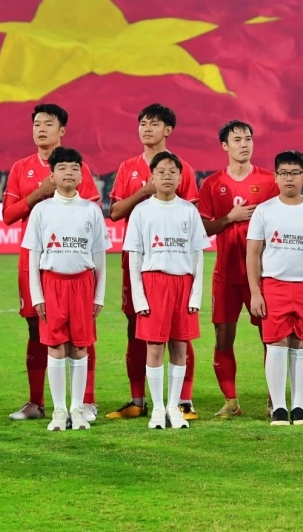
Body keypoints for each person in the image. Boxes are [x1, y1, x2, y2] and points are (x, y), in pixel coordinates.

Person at [2, 104, 102, 423]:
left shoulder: (75, 167)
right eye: (36, 124)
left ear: (62, 130)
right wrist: (39, 193)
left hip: (72, 264)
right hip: (34, 262)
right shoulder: (21, 168)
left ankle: (85, 401)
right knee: (37, 330)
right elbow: (8, 215)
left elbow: (91, 214)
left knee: (82, 332)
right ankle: (37, 402)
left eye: (48, 123)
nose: (41, 129)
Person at [108, 104, 201, 420]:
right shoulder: (128, 168)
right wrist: (144, 191)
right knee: (136, 327)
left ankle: (183, 400)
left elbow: (191, 216)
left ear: (168, 130)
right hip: (139, 260)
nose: (147, 128)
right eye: (143, 123)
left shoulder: (182, 168)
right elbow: (115, 212)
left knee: (180, 333)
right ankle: (138, 400)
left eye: (154, 123)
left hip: (175, 262)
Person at [247, 151, 303, 426]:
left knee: (301, 346)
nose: (289, 178)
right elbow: (253, 253)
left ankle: (298, 407)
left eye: (295, 173)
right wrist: (255, 292)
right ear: (275, 177)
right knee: (276, 345)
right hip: (274, 285)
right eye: (284, 173)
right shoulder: (264, 210)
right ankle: (279, 408)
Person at [21, 147, 108, 431]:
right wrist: (37, 295)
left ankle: (77, 409)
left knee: (80, 347)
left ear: (82, 175)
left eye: (74, 168)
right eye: (62, 168)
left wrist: (98, 295)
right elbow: (33, 257)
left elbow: (99, 258)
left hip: (83, 284)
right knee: (56, 347)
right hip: (52, 283)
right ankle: (59, 411)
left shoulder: (91, 211)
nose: (68, 172)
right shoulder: (41, 210)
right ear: (52, 175)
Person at [198, 121, 279, 418]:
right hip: (226, 275)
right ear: (225, 146)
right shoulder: (211, 184)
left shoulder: (270, 181)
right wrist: (229, 218)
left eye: (248, 139)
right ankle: (231, 401)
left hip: (262, 275)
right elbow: (203, 227)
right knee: (223, 338)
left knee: (270, 338)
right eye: (237, 140)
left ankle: (274, 400)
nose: (244, 144)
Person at [123, 152, 209, 430]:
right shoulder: (141, 211)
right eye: (161, 172)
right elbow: (134, 258)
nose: (167, 176)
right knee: (155, 347)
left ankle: (174, 406)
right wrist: (139, 298)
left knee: (180, 347)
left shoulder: (188, 211)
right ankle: (158, 408)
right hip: (153, 284)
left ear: (181, 177)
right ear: (152, 177)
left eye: (173, 172)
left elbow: (198, 257)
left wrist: (196, 295)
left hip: (182, 284)